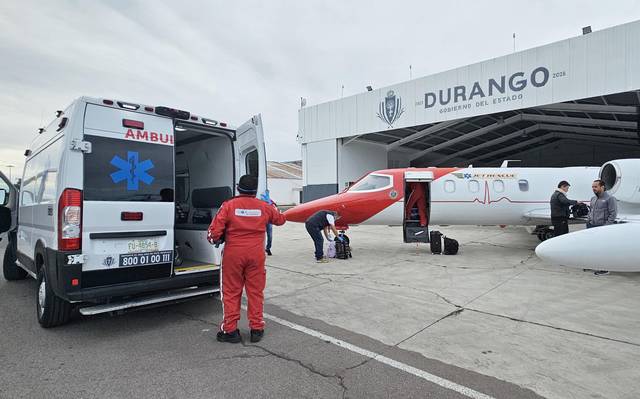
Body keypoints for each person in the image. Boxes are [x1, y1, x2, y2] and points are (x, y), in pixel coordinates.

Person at [208, 175, 286, 344]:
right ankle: (257, 329)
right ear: (255, 190)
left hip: (233, 255)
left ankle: (230, 331)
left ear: (238, 188)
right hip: (256, 255)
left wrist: (216, 239)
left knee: (230, 292)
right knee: (255, 292)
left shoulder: (228, 205)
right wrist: (272, 204)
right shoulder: (264, 206)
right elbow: (280, 220)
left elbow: (213, 234)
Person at [587, 179, 617, 276]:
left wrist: (606, 227)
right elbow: (590, 211)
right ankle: (594, 265)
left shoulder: (610, 199)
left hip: (602, 227)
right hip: (592, 226)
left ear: (602, 187)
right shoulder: (593, 199)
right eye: (592, 187)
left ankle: (605, 268)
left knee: (603, 249)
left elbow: (613, 214)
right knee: (592, 247)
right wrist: (589, 221)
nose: (593, 188)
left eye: (595, 187)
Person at [260, 190, 275, 256]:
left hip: (269, 221)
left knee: (270, 236)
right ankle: (262, 249)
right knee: (262, 236)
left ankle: (268, 248)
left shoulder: (270, 202)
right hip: (262, 221)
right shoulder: (259, 202)